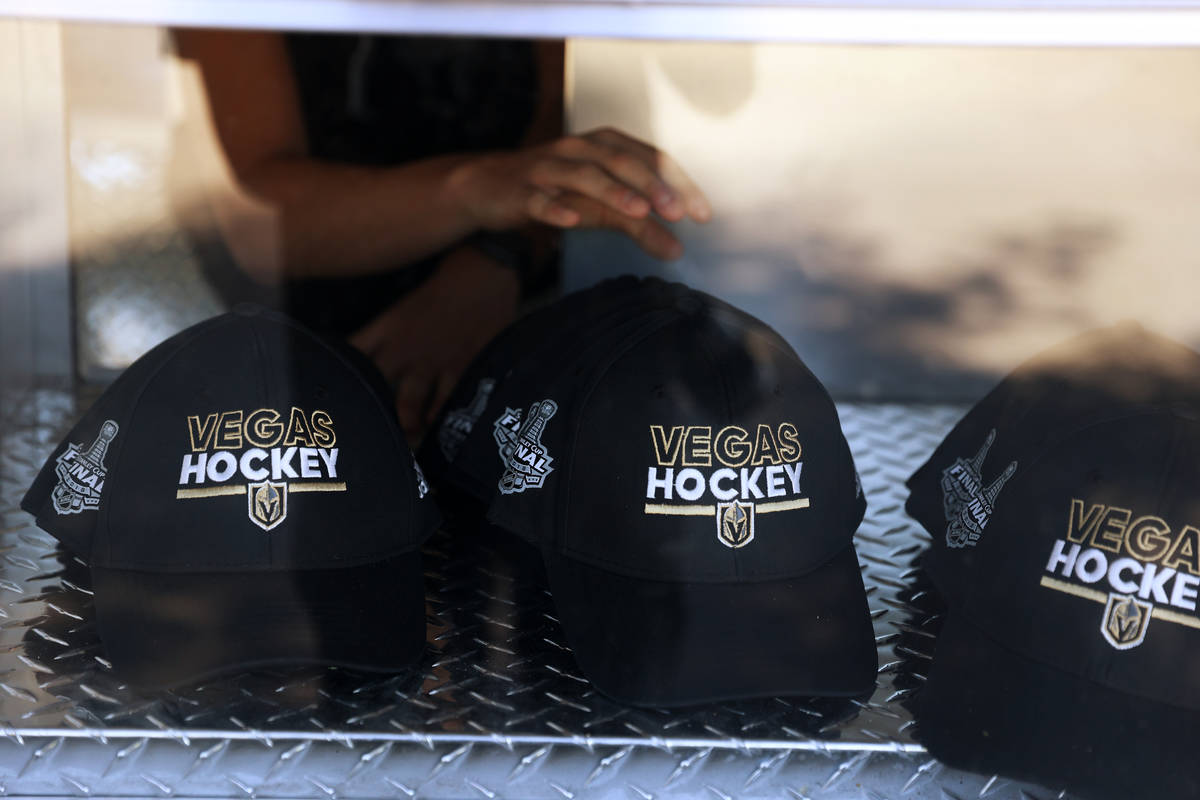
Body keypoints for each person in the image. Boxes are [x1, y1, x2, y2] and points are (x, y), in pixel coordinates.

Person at [172, 29, 711, 441]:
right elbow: (264, 220)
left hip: (513, 314)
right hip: (303, 350)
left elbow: (551, 114)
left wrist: (494, 259)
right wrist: (477, 193)